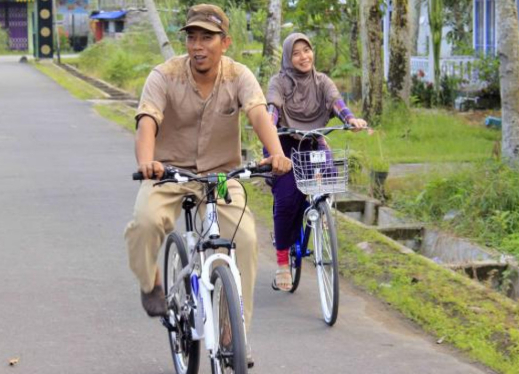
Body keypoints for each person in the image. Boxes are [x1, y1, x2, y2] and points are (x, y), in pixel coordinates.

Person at [124, 3, 291, 332]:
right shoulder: (165, 75)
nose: (198, 46)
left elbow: (258, 112)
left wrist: (277, 153)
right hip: (169, 173)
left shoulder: (238, 75)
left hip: (220, 178)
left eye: (207, 38)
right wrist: (147, 163)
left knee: (244, 239)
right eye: (192, 38)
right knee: (144, 223)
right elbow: (147, 121)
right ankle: (150, 282)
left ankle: (234, 334)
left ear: (225, 42)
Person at [265, 33, 367, 291]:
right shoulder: (279, 82)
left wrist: (350, 120)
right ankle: (281, 262)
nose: (303, 57)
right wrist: (267, 125)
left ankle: (321, 213)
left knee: (329, 175)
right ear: (289, 57)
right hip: (284, 143)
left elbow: (336, 103)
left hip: (313, 140)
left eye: (307, 50)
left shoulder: (322, 81)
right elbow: (272, 108)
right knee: (288, 198)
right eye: (296, 53)